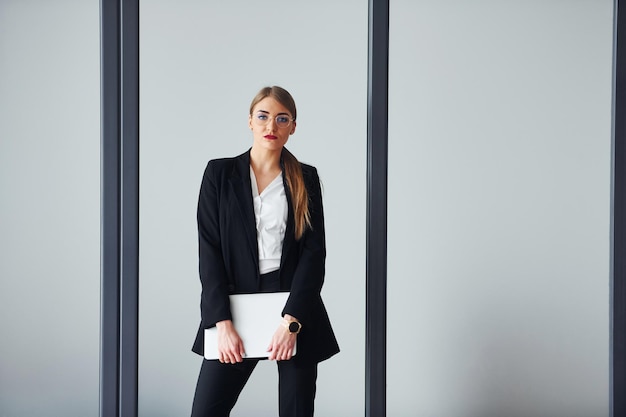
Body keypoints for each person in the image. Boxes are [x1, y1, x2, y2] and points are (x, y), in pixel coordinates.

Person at [190, 86, 339, 417]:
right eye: (264, 116)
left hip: (293, 307)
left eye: (281, 119)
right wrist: (221, 323)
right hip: (233, 306)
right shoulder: (219, 174)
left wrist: (292, 324)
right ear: (250, 122)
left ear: (292, 127)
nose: (271, 125)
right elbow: (209, 251)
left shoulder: (305, 178)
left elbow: (314, 255)